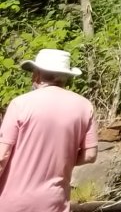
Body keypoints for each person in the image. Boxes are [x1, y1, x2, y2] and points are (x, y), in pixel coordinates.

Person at [0, 49, 96, 212]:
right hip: (54, 202)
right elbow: (90, 155)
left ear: (37, 74)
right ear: (67, 77)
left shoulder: (20, 104)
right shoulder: (84, 106)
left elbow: (2, 156)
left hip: (13, 202)